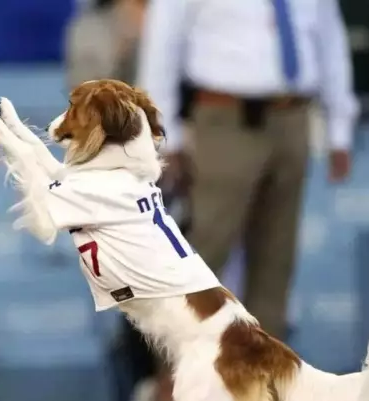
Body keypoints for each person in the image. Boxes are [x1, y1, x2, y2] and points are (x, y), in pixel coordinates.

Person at [137, 0, 357, 342]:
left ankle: (264, 380)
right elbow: (163, 43)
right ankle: (177, 374)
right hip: (225, 118)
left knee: (277, 257)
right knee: (205, 254)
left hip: (294, 117)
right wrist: (164, 135)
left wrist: (340, 122)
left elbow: (329, 38)